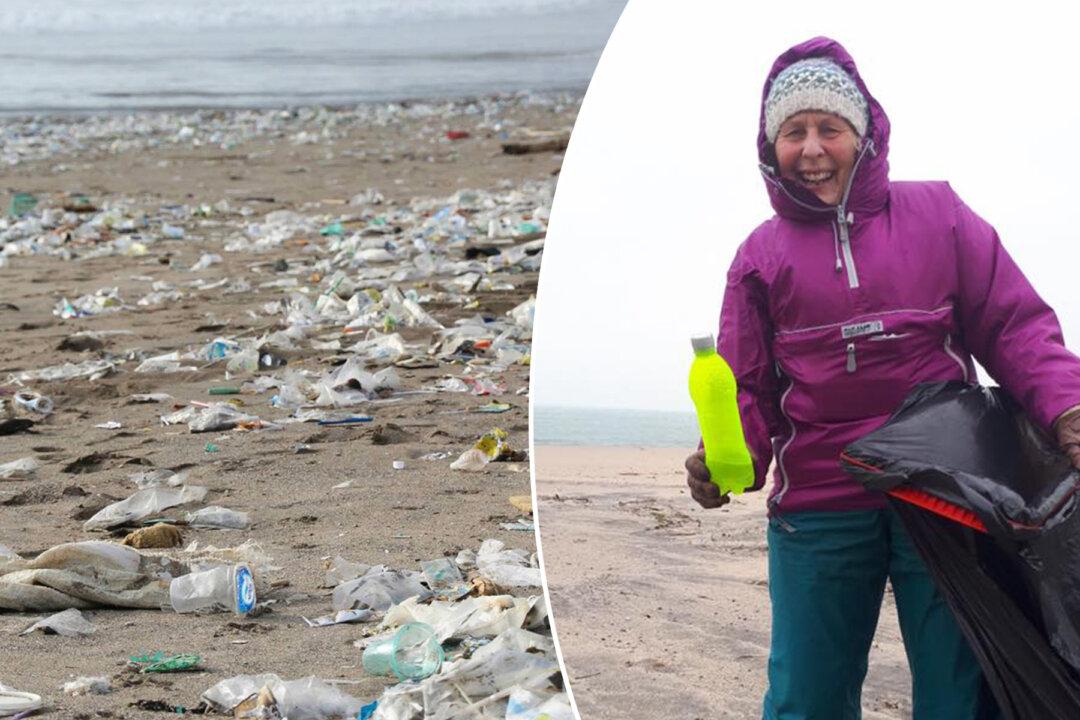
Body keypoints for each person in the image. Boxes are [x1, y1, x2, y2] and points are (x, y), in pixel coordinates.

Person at [684, 36, 1080, 720]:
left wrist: (1067, 409)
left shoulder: (940, 215)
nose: (811, 149)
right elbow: (747, 386)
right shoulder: (759, 255)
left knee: (961, 691)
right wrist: (735, 460)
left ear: (863, 136)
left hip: (941, 490)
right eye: (793, 131)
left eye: (829, 129)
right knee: (806, 696)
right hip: (820, 499)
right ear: (769, 146)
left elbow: (1014, 326)